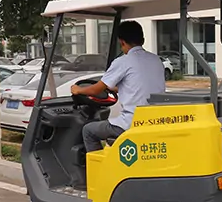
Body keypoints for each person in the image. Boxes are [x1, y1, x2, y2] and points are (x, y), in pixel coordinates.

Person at [71, 20, 166, 153]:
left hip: (130, 123)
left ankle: (97, 166)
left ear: (122, 42)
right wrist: (115, 88)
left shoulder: (123, 61)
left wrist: (78, 90)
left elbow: (96, 90)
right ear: (143, 40)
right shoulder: (156, 60)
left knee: (88, 130)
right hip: (154, 122)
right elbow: (139, 86)